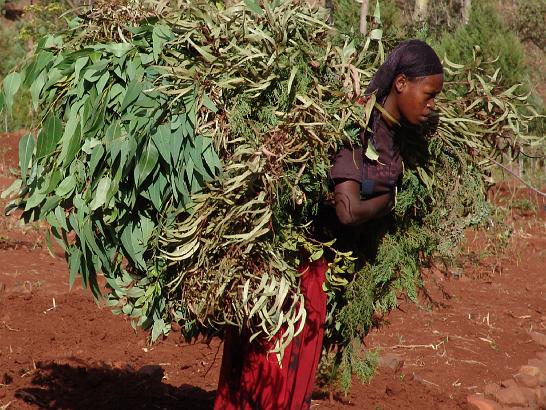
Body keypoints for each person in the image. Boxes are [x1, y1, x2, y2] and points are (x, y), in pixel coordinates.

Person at [214, 39, 444, 410]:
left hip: (318, 270)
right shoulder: (358, 126)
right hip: (294, 267)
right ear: (401, 83)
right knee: (272, 365)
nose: (432, 105)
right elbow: (347, 210)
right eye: (429, 94)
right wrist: (387, 201)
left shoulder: (392, 135)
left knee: (295, 369)